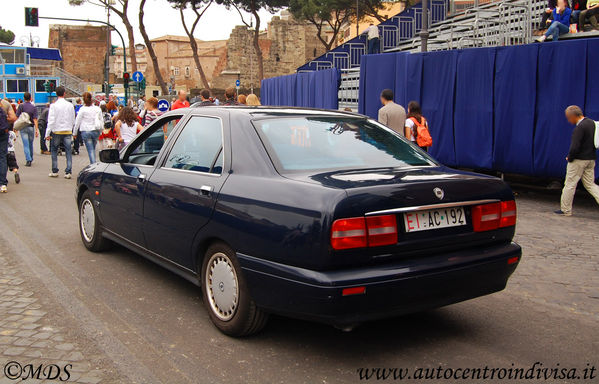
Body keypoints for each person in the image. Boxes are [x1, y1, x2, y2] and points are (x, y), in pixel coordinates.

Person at [555, 105, 599, 216]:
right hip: (591, 159)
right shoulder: (592, 123)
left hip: (578, 160)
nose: (568, 121)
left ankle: (566, 210)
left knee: (570, 184)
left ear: (573, 116)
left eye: (568, 118)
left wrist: (570, 157)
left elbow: (575, 146)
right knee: (590, 185)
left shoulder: (579, 128)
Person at [45, 86, 75, 179]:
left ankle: (55, 170)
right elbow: (73, 118)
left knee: (54, 150)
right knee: (68, 151)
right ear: (64, 93)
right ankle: (68, 171)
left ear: (56, 94)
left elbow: (51, 120)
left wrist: (47, 133)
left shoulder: (53, 106)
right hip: (67, 130)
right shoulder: (70, 105)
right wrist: (71, 128)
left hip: (57, 130)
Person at [74, 92, 102, 164]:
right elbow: (101, 120)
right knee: (93, 148)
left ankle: (93, 164)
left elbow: (77, 121)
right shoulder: (97, 109)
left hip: (86, 130)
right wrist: (101, 131)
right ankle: (93, 163)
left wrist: (74, 132)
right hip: (95, 130)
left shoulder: (82, 109)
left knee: (90, 150)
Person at [15, 92, 39, 166]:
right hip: (31, 126)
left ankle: (28, 160)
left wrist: (15, 128)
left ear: (24, 98)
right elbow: (35, 119)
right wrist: (36, 130)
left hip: (23, 127)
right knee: (30, 143)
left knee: (25, 144)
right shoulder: (33, 107)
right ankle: (31, 158)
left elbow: (17, 116)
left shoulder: (21, 106)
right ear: (30, 98)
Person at [0, 98, 17, 193]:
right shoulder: (5, 103)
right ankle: (2, 184)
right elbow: (13, 118)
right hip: (3, 133)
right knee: (2, 157)